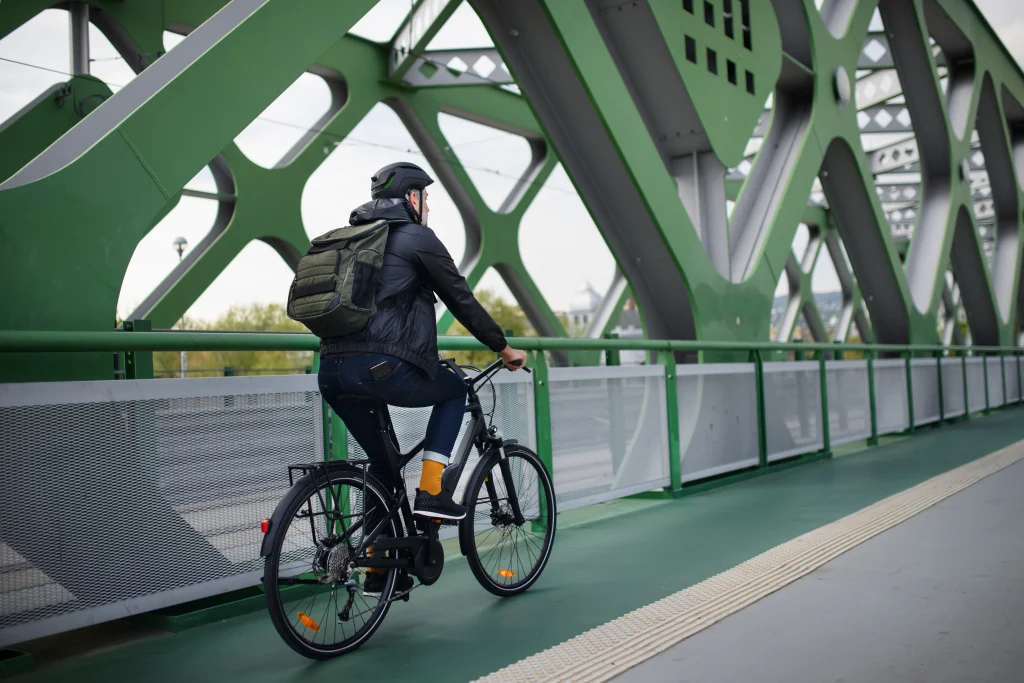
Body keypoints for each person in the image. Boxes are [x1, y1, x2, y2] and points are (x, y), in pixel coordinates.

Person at [316, 162, 527, 594]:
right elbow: (461, 299)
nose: (427, 206)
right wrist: (503, 348)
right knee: (454, 389)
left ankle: (379, 570)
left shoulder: (351, 240)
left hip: (332, 371)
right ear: (412, 198)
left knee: (383, 469)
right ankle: (432, 491)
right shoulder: (417, 238)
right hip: (381, 367)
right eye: (426, 198)